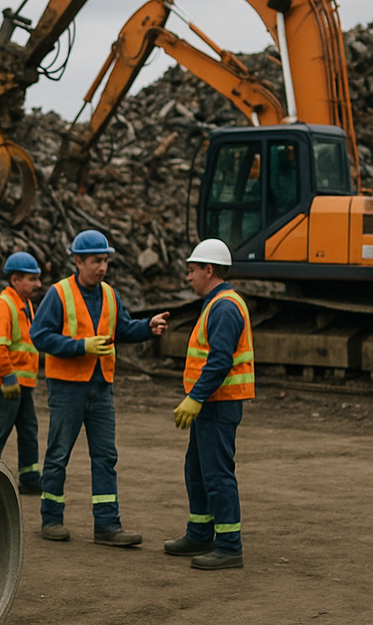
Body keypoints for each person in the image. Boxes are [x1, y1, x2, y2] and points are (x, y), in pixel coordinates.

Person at [30, 229, 169, 544]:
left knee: (106, 456)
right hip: (67, 388)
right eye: (96, 261)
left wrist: (148, 327)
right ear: (78, 261)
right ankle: (51, 519)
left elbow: (123, 328)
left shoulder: (109, 294)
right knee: (58, 454)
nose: (102, 267)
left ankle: (107, 525)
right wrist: (81, 346)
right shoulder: (59, 294)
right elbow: (40, 335)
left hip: (101, 387)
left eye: (105, 260)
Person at [166, 238, 254, 570]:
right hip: (211, 405)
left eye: (191, 271)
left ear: (209, 269)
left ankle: (230, 545)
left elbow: (219, 361)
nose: (188, 278)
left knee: (216, 474)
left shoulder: (225, 306)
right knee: (197, 471)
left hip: (218, 404)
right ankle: (200, 533)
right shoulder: (217, 303)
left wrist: (196, 397)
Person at [0, 251, 42, 495]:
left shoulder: (25, 304)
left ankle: (29, 478)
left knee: (28, 430)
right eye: (32, 279)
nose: (38, 284)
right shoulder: (3, 304)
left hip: (21, 382)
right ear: (15, 279)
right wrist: (8, 376)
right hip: (5, 382)